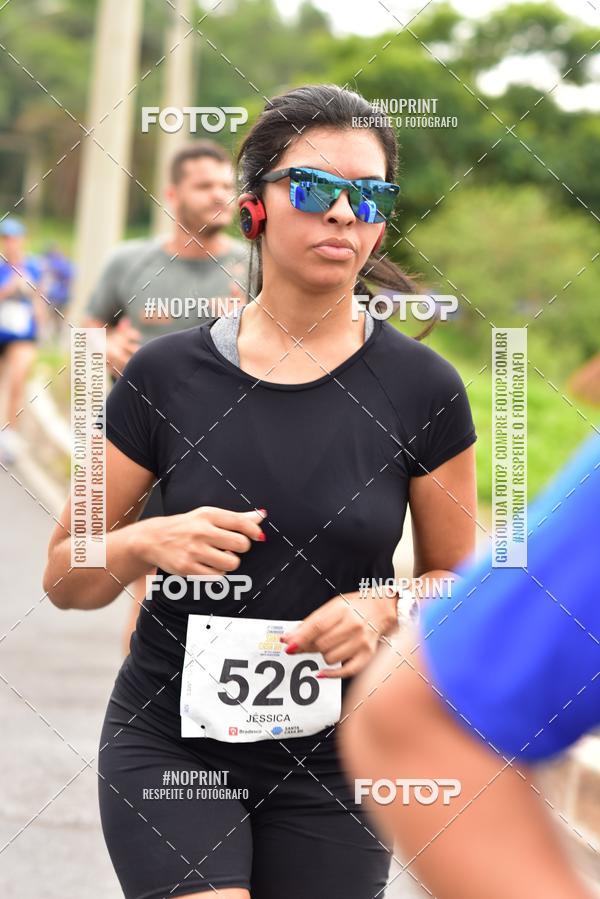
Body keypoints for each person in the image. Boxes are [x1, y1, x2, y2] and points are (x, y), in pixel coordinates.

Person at [44, 83, 477, 899]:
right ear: (255, 207)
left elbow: (460, 577)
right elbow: (65, 573)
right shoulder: (162, 376)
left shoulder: (426, 388)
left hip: (339, 758)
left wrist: (385, 605)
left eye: (372, 195)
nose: (344, 214)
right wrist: (140, 543)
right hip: (174, 746)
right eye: (315, 189)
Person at [340, 430, 600, 899]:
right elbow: (422, 714)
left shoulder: (424, 385)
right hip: (177, 711)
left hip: (326, 761)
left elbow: (446, 579)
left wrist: (386, 603)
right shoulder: (171, 368)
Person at [83, 140, 249, 654]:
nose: (220, 195)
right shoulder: (129, 262)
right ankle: (147, 695)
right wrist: (105, 347)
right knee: (154, 572)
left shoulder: (256, 266)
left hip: (232, 441)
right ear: (173, 193)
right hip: (145, 442)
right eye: (206, 186)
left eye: (227, 185)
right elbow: (88, 330)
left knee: (229, 571)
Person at [0, 217, 48, 465]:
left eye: (14, 238)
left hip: (23, 333)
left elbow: (40, 298)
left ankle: (10, 435)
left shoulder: (34, 267)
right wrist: (10, 287)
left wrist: (39, 316)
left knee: (18, 379)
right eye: (6, 238)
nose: (11, 243)